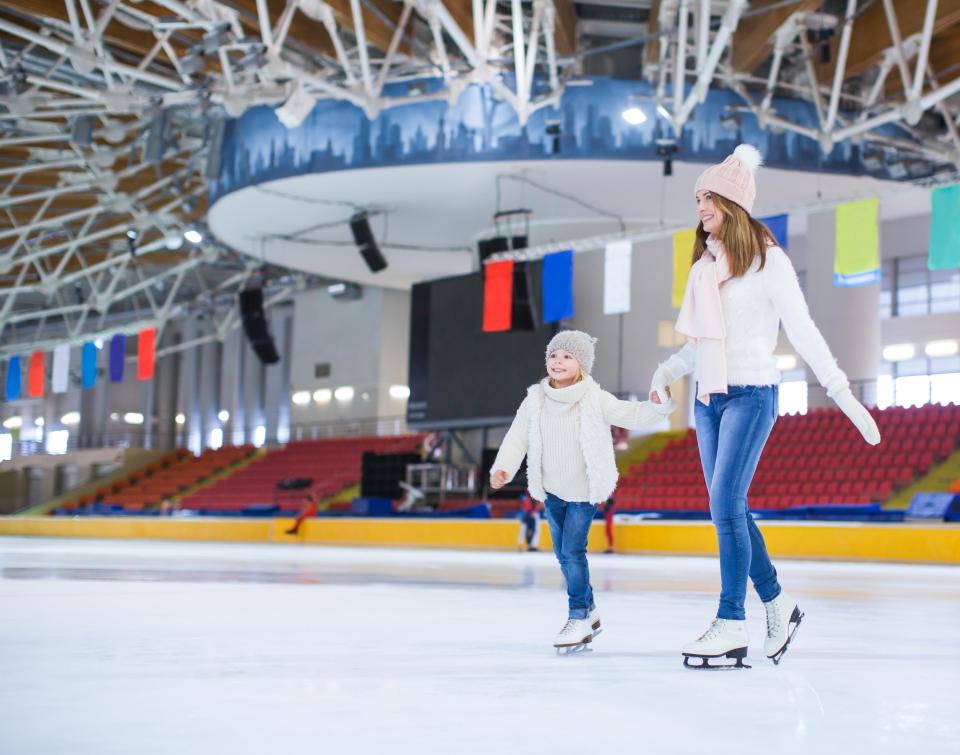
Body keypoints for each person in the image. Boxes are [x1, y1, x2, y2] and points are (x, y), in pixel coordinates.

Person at [650, 144, 881, 669]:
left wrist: (842, 392)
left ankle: (731, 622)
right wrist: (667, 372)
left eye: (706, 197)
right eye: (696, 198)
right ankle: (778, 603)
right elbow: (702, 342)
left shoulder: (768, 261)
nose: (699, 206)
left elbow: (803, 330)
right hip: (709, 399)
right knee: (728, 509)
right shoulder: (705, 269)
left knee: (726, 505)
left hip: (753, 395)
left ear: (731, 203)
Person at [491, 330, 676, 652]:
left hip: (584, 492)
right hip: (551, 491)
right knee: (564, 555)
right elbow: (517, 434)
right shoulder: (535, 398)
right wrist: (502, 467)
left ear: (582, 364)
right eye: (553, 355)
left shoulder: (594, 397)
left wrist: (659, 407)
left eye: (567, 356)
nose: (558, 361)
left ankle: (577, 614)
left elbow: (630, 414)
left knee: (573, 552)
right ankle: (590, 612)